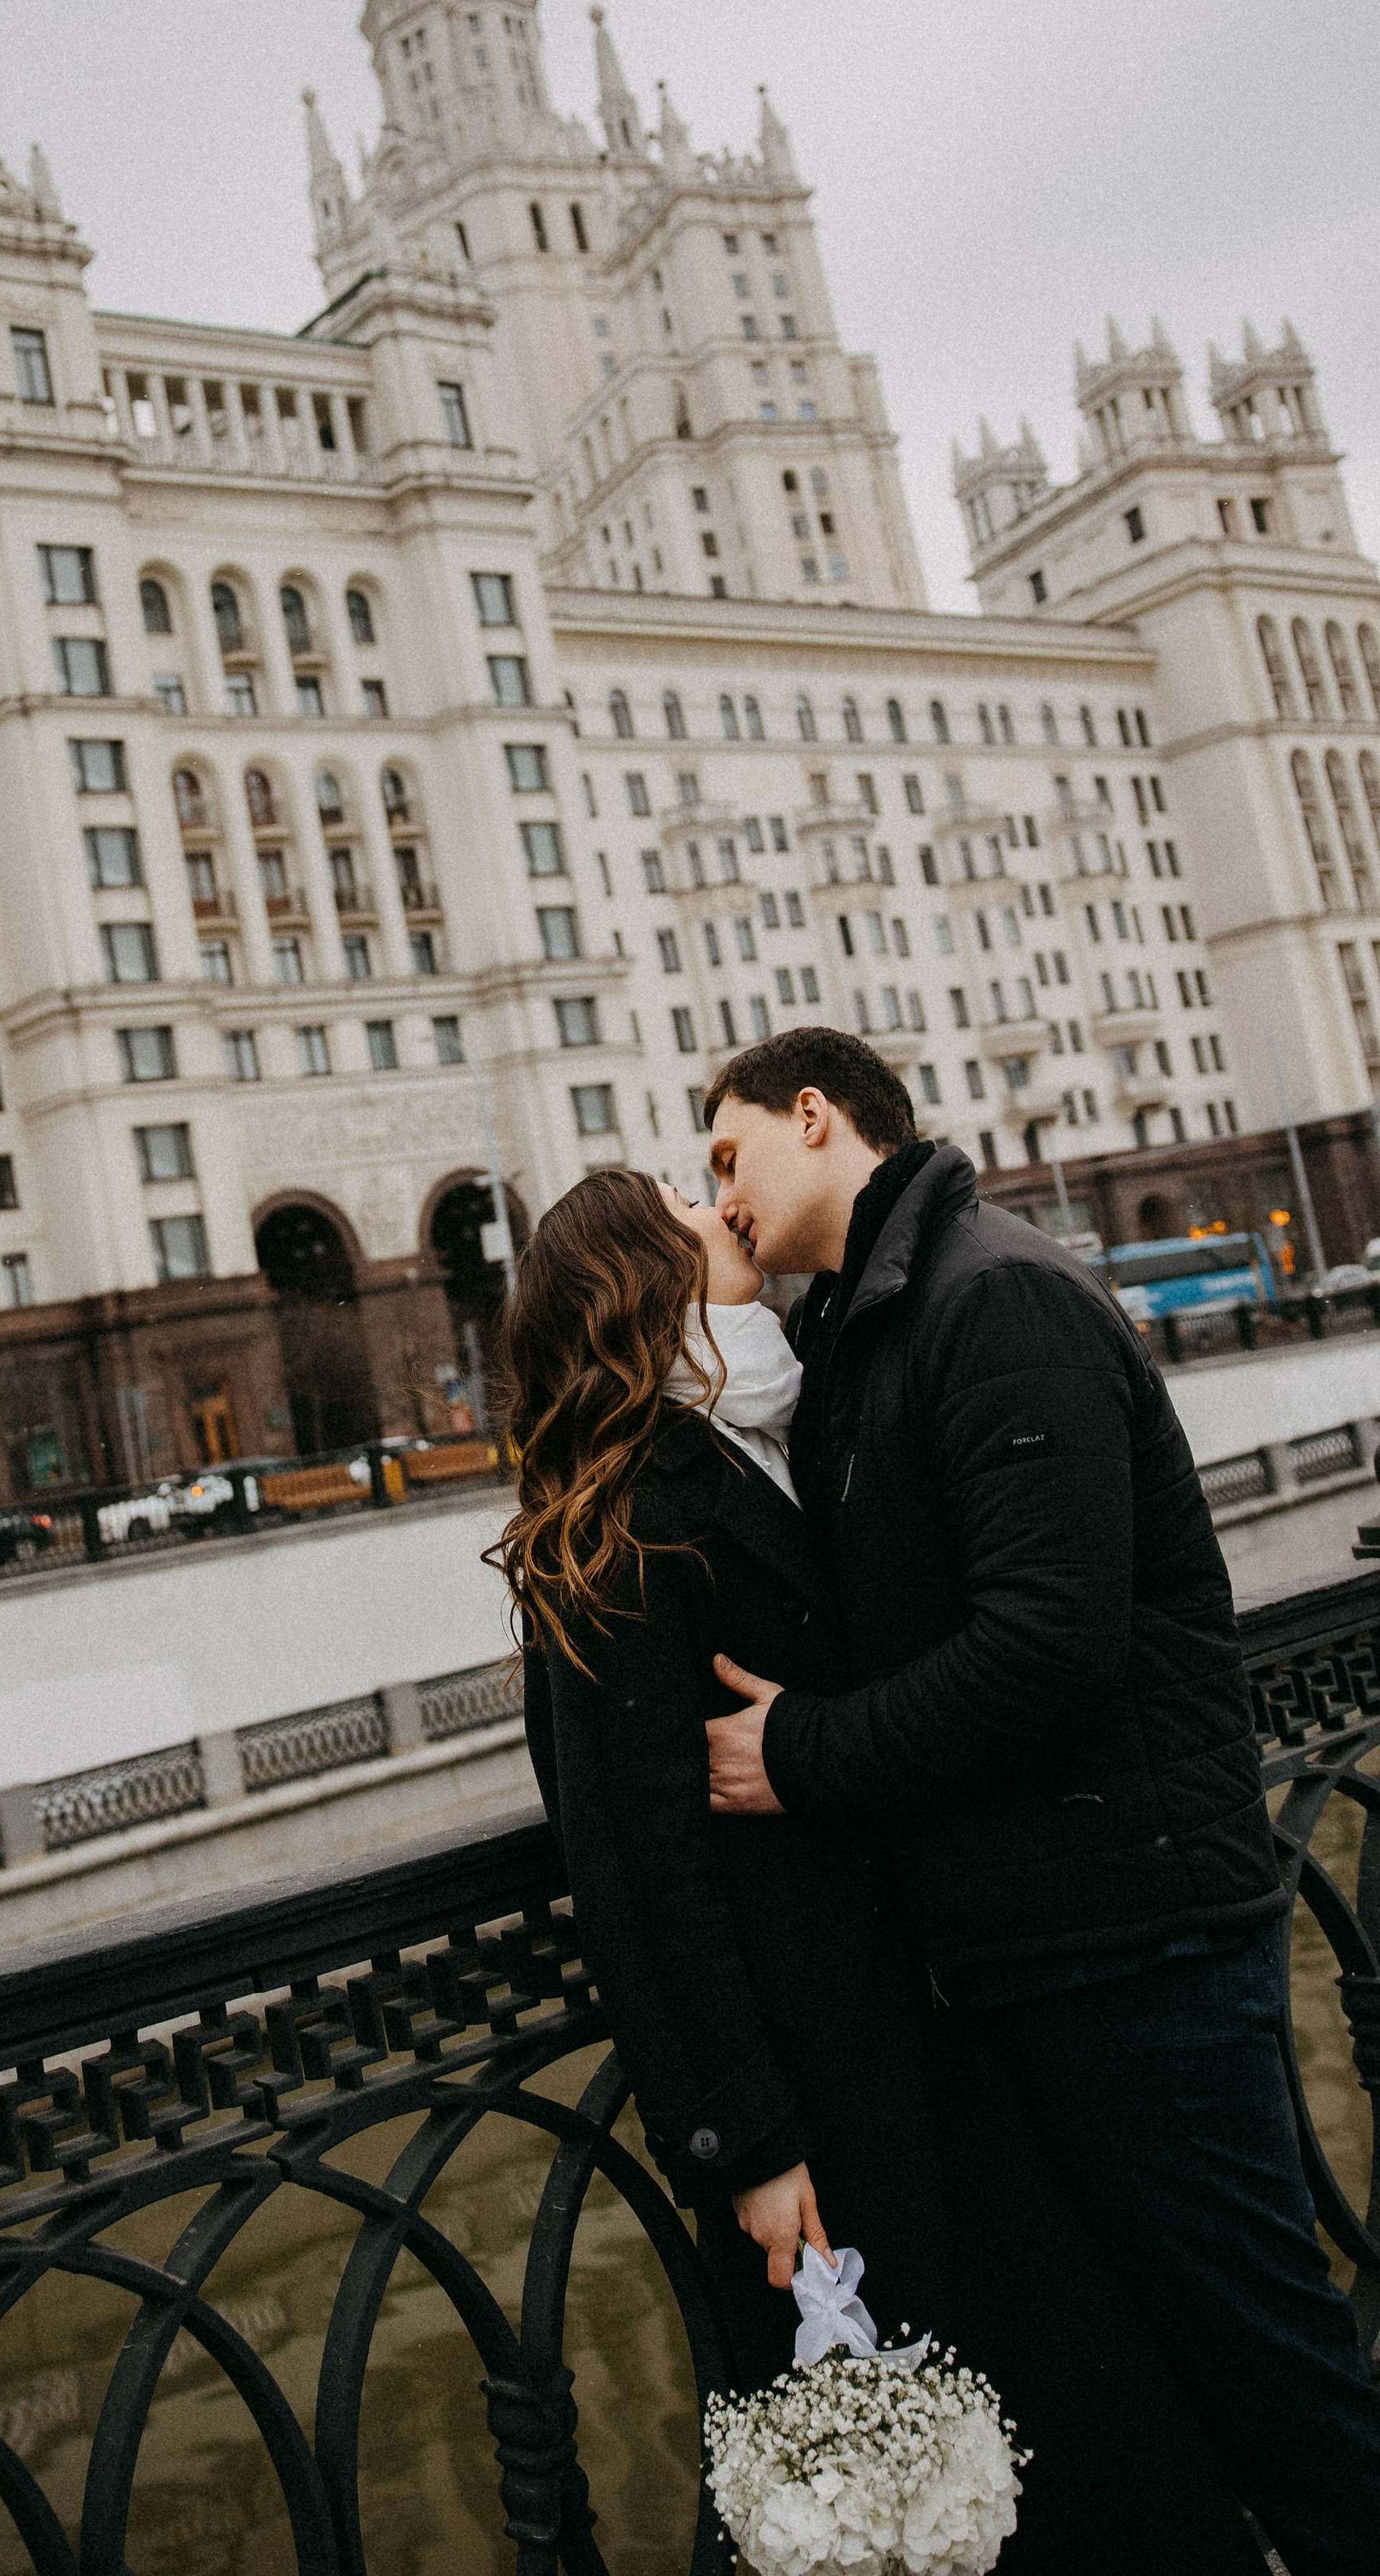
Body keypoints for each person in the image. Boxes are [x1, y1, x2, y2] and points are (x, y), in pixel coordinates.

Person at [502, 1166, 1264, 2571]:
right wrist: (745, 2139)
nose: (717, 1204)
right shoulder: (614, 1527)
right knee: (907, 2498)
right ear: (640, 1286)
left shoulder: (775, 1435)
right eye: (686, 1203)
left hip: (936, 2037)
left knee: (1076, 2445)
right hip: (816, 2112)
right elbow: (636, 1877)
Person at [700, 1023, 1380, 2576]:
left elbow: (1049, 1648)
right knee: (1161, 2390)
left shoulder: (989, 1295)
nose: (720, 1198)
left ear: (816, 1119)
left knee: (1272, 2377)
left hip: (1134, 1935)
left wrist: (799, 1753)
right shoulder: (883, 1318)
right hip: (1050, 1940)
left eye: (727, 1156)